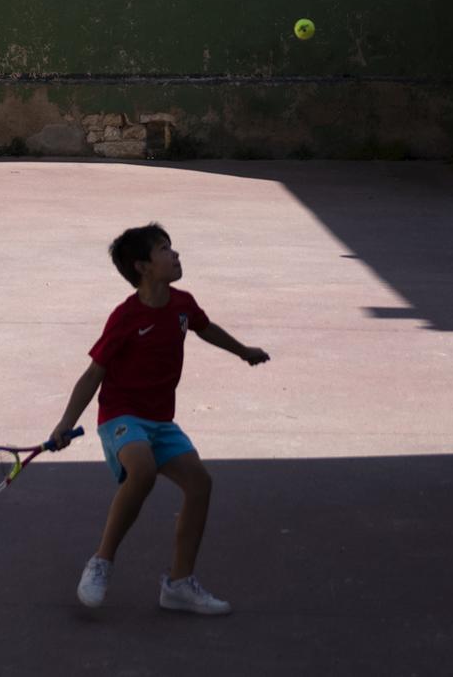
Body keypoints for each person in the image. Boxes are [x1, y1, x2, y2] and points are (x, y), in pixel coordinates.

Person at [48, 224, 270, 614]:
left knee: (200, 483)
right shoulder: (125, 317)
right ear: (143, 267)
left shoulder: (182, 303)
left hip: (160, 420)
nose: (176, 254)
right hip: (120, 415)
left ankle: (179, 585)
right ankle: (101, 561)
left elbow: (206, 329)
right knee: (143, 470)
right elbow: (93, 373)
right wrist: (65, 422)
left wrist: (242, 350)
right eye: (165, 249)